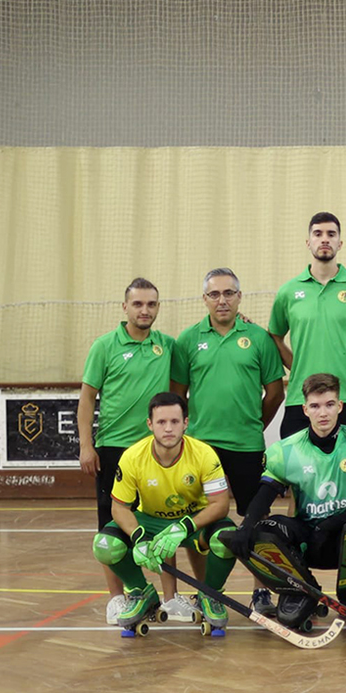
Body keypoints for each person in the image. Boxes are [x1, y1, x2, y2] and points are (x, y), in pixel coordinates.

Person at [223, 373, 346, 627]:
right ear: (305, 409)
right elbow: (265, 495)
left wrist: (332, 523)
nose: (322, 413)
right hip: (308, 538)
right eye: (315, 406)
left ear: (340, 406)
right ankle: (301, 590)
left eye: (329, 405)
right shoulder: (286, 450)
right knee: (266, 528)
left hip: (345, 537)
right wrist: (246, 526)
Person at [171, 267, 286, 615]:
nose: (222, 300)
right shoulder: (188, 340)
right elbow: (178, 396)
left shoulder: (259, 338)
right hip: (201, 449)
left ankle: (261, 592)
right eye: (214, 294)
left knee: (258, 517)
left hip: (247, 445)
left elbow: (275, 392)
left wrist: (253, 425)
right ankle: (208, 589)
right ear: (204, 299)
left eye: (229, 293)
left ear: (239, 296)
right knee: (199, 518)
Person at [91, 392, 236, 633]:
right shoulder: (132, 457)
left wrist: (184, 527)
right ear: (150, 424)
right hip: (150, 521)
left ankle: (210, 595)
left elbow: (220, 504)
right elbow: (119, 507)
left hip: (192, 522)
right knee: (104, 544)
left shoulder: (204, 454)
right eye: (161, 422)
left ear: (186, 423)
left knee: (228, 539)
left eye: (175, 422)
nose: (168, 428)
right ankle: (141, 593)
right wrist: (138, 536)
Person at [79, 278, 176, 623]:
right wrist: (87, 446)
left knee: (164, 523)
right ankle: (119, 598)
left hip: (155, 451)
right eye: (138, 304)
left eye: (151, 304)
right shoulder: (104, 346)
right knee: (110, 526)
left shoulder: (167, 346)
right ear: (125, 307)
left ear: (158, 307)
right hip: (112, 449)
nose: (145, 310)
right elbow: (87, 398)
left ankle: (171, 598)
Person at [269, 212, 346, 436]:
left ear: (340, 242)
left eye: (331, 234)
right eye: (318, 234)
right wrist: (297, 365)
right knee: (298, 471)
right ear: (308, 242)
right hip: (301, 398)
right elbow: (274, 336)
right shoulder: (288, 292)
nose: (325, 239)